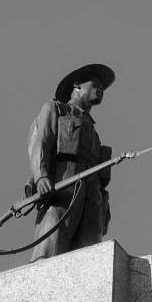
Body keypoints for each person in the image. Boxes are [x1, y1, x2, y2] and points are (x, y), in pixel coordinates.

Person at [27, 64, 115, 261]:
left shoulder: (93, 132)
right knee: (53, 234)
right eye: (96, 84)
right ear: (77, 85)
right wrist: (41, 176)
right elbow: (41, 141)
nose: (100, 89)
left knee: (90, 245)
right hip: (64, 182)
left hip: (92, 193)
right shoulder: (56, 109)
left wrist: (103, 207)